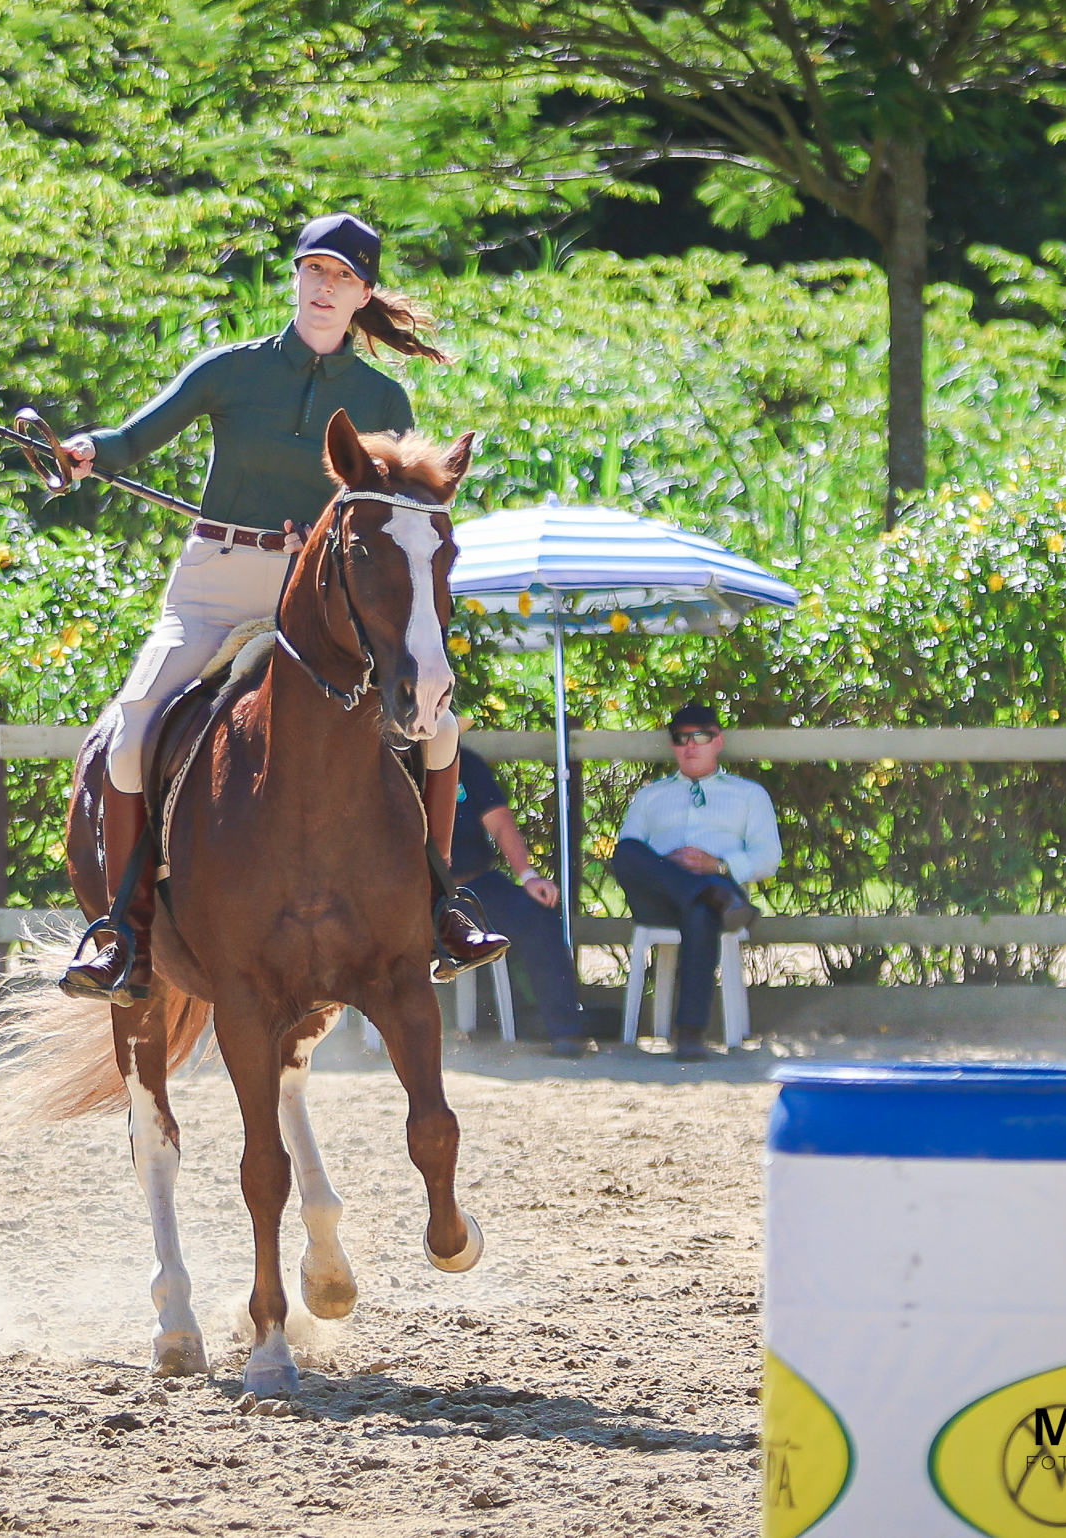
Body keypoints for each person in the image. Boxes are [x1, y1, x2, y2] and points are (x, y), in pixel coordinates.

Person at [54, 212, 508, 1003]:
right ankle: (120, 935)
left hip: (319, 598)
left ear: (363, 294)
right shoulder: (231, 370)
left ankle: (442, 911)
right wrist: (88, 451)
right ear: (295, 278)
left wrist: (326, 538)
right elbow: (134, 438)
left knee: (439, 730)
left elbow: (387, 513)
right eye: (315, 271)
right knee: (130, 730)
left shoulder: (383, 396)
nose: (326, 288)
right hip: (214, 583)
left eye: (344, 277)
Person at [609, 703, 781, 1060]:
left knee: (702, 912)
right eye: (681, 738)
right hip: (661, 897)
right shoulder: (650, 796)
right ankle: (709, 894)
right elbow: (628, 857)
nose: (690, 746)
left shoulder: (749, 794)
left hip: (720, 883)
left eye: (700, 737)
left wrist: (716, 865)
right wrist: (665, 865)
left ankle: (689, 1033)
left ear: (718, 741)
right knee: (626, 850)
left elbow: (768, 858)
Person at [446, 746, 594, 1058]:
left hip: (475, 885)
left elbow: (499, 823)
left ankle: (565, 1030)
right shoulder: (387, 762)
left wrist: (528, 876)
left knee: (536, 912)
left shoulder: (466, 762)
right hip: (412, 891)